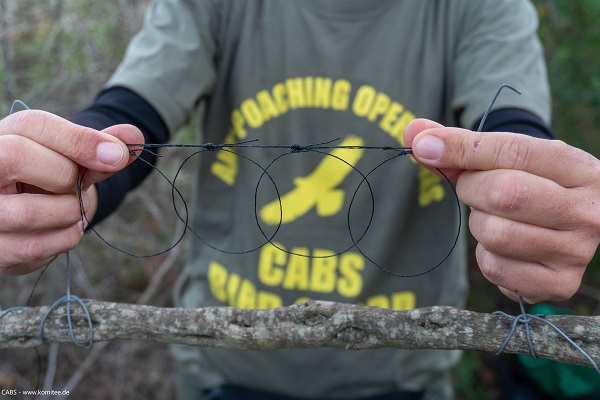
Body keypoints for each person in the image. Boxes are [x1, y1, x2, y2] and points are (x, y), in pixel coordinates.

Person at [1, 0, 599, 399]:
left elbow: (515, 137)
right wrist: (57, 182)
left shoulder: (482, 10)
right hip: (221, 369)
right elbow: (129, 114)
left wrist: (536, 203)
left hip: (403, 374)